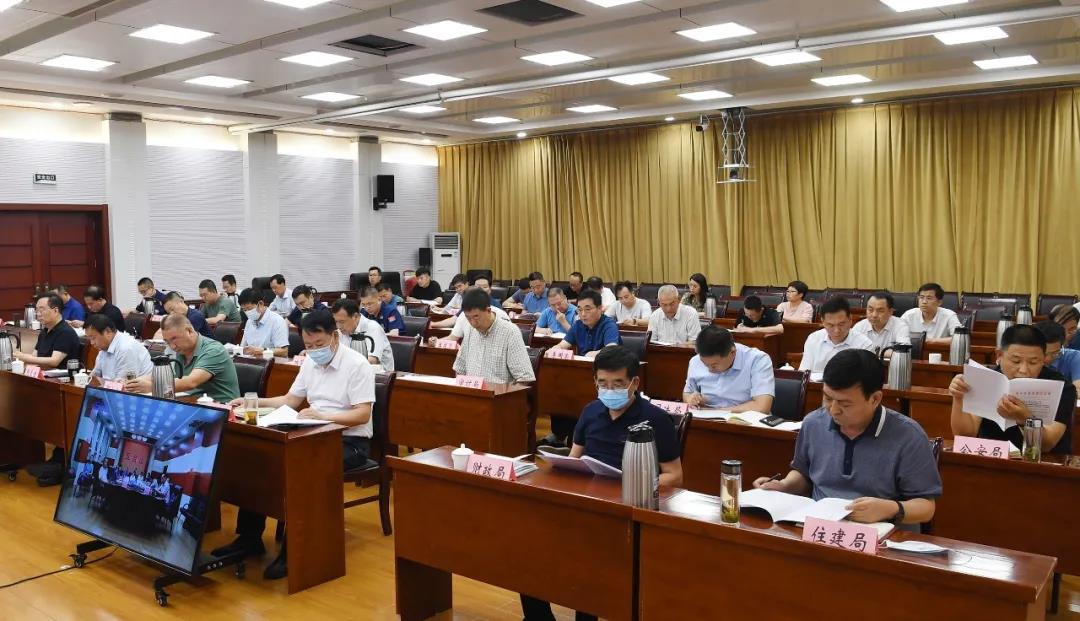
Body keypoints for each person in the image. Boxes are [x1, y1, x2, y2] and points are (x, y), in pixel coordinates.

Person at [521, 346, 681, 621]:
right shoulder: (591, 411)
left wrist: (633, 483)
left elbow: (675, 475)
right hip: (585, 500)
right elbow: (574, 458)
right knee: (529, 545)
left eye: (617, 384)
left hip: (625, 507)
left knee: (588, 556)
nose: (609, 390)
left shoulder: (656, 419)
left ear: (634, 383)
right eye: (602, 383)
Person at [216, 310, 375, 580]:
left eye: (319, 344)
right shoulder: (310, 362)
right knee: (262, 462)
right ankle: (250, 538)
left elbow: (362, 415)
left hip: (350, 442)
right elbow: (290, 400)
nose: (313, 350)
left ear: (335, 336)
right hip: (312, 434)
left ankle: (297, 550)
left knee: (300, 470)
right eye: (308, 345)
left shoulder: (357, 365)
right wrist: (253, 402)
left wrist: (323, 416)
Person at [754, 350, 942, 528]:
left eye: (845, 404)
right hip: (820, 528)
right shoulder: (813, 423)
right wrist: (784, 486)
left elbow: (926, 507)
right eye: (828, 398)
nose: (833, 410)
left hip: (882, 535)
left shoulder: (908, 436)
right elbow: (804, 474)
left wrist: (890, 509)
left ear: (875, 399)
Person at [948, 324, 1075, 454]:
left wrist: (1025, 419)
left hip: (1041, 461)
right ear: (999, 355)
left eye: (1033, 362)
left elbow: (1047, 445)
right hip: (992, 456)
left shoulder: (1062, 387)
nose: (1023, 370)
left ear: (1043, 360)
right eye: (1016, 361)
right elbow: (965, 435)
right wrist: (959, 398)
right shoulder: (987, 378)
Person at [126, 314, 240, 404]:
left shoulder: (214, 350)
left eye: (174, 339)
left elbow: (191, 382)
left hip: (222, 408)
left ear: (189, 331)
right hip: (192, 403)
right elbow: (164, 375)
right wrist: (134, 383)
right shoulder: (179, 350)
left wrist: (153, 387)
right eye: (167, 341)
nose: (172, 346)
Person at [450, 288, 535, 385]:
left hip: (499, 393)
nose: (473, 323)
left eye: (476, 317)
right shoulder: (470, 329)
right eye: (468, 318)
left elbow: (524, 378)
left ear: (488, 311)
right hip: (472, 391)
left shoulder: (510, 332)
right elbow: (460, 369)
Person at [684, 326, 774, 413]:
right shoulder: (695, 360)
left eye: (714, 365)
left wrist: (715, 412)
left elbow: (761, 407)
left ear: (732, 352)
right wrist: (691, 399)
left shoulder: (757, 360)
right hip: (704, 417)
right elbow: (687, 394)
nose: (710, 370)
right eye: (705, 365)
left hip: (743, 419)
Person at [799, 296, 874, 376]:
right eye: (831, 325)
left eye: (841, 324)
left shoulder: (864, 345)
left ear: (850, 319)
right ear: (823, 322)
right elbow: (804, 373)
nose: (836, 330)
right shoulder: (813, 339)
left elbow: (866, 378)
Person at [14, 293, 80, 370]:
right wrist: (20, 356)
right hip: (44, 372)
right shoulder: (44, 331)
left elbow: (54, 361)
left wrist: (25, 357)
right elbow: (34, 357)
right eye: (37, 310)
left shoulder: (65, 332)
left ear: (55, 311)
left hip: (61, 375)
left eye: (41, 310)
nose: (38, 314)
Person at [84, 314, 153, 383]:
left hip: (140, 388)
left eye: (93, 338)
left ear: (107, 331)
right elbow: (95, 376)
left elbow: (124, 384)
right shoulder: (104, 348)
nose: (92, 343)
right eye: (89, 339)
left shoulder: (126, 348)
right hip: (113, 387)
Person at [551, 290, 620, 357]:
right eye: (580, 310)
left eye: (587, 309)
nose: (583, 314)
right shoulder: (578, 325)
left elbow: (612, 349)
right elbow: (562, 345)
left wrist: (594, 354)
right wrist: (555, 349)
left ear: (600, 308)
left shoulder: (609, 325)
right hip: (583, 363)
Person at [332, 299, 395, 371]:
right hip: (350, 371)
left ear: (355, 316)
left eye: (342, 322)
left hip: (378, 374)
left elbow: (372, 360)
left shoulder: (373, 328)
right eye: (336, 321)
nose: (338, 326)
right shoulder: (340, 331)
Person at [238, 288, 289, 357]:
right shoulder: (249, 321)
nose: (247, 312)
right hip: (252, 360)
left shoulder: (277, 321)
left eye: (249, 309)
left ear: (261, 304)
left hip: (271, 361)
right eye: (244, 310)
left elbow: (284, 351)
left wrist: (262, 351)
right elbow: (242, 347)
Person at [1035, 321, 1080, 391]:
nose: (1048, 359)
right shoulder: (1024, 359)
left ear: (1062, 345)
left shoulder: (1074, 357)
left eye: (1055, 353)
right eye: (1044, 354)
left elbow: (1078, 389)